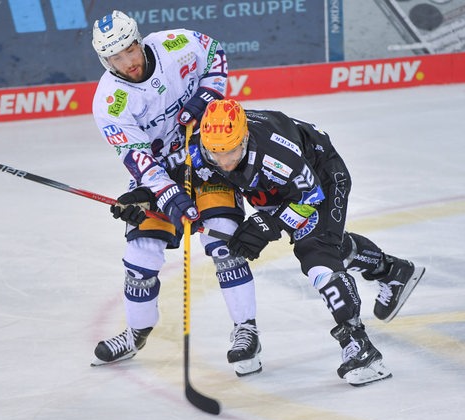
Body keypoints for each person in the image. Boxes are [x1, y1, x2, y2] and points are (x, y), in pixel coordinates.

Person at [196, 99, 426, 386]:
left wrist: (272, 223)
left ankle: (361, 348)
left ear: (244, 137)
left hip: (321, 178)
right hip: (276, 188)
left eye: (231, 151)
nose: (224, 162)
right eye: (216, 153)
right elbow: (188, 175)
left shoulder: (274, 154)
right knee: (328, 246)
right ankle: (391, 270)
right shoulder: (207, 144)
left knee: (317, 254)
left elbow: (310, 197)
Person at [89, 11, 262, 377]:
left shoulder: (176, 44)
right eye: (116, 58)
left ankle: (246, 329)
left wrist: (207, 95)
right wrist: (169, 197)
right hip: (158, 173)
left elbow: (215, 53)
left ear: (139, 41)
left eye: (130, 51)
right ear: (105, 61)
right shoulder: (109, 102)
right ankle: (136, 333)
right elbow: (138, 160)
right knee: (141, 256)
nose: (128, 63)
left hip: (208, 156)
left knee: (223, 244)